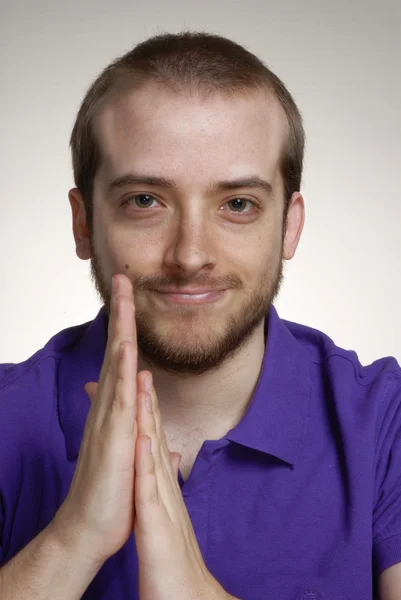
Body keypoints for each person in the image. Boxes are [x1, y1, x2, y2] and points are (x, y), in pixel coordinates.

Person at [0, 30, 399, 600]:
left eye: (237, 205)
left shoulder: (385, 421)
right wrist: (73, 541)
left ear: (290, 225)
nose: (190, 255)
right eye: (145, 201)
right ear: (83, 222)